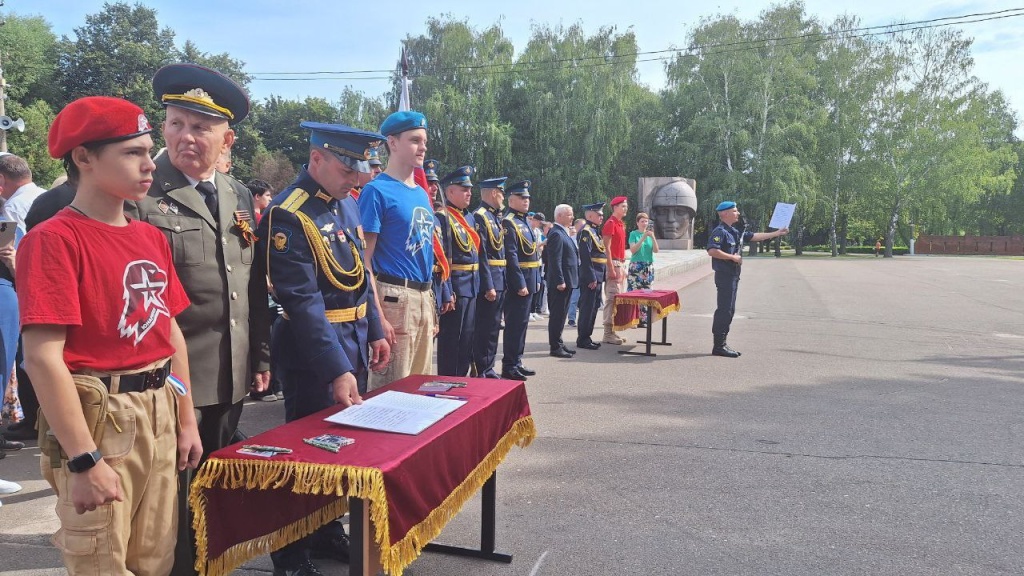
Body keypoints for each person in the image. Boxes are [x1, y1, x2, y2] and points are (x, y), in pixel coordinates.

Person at [19, 95, 203, 575]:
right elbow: (43, 359)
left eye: (148, 151)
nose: (149, 165)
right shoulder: (55, 240)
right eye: (132, 153)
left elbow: (170, 335)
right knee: (102, 562)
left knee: (155, 561)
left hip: (160, 405)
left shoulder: (149, 237)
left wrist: (185, 419)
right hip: (104, 418)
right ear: (83, 157)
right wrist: (83, 460)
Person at [136, 63, 271, 576]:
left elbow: (251, 283)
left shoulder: (237, 193)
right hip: (172, 376)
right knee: (168, 494)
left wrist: (259, 354)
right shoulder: (144, 194)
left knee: (211, 488)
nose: (185, 136)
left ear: (227, 137)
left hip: (230, 370)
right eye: (175, 123)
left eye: (200, 127)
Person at [257, 122, 390, 576]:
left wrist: (374, 328)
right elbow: (303, 301)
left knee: (343, 447)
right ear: (317, 159)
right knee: (307, 452)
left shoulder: (343, 206)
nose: (357, 178)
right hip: (314, 352)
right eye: (347, 168)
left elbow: (359, 276)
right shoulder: (289, 213)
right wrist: (336, 369)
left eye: (359, 169)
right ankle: (291, 554)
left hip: (351, 342)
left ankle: (327, 529)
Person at [359, 111, 436, 390]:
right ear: (392, 142)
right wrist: (377, 317)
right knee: (391, 392)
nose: (423, 147)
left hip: (423, 296)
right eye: (415, 140)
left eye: (424, 141)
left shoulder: (421, 194)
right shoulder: (376, 191)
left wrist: (431, 307)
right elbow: (364, 261)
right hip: (394, 299)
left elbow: (425, 255)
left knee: (420, 389)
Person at [707, 201, 788, 357]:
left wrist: (776, 233)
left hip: (733, 275)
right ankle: (718, 346)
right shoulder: (720, 231)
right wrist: (733, 257)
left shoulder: (734, 231)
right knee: (724, 310)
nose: (738, 213)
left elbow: (754, 236)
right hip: (724, 275)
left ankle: (722, 344)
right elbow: (712, 251)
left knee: (730, 310)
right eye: (735, 211)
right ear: (725, 214)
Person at [435, 166, 480, 376]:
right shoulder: (443, 217)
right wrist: (447, 289)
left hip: (471, 284)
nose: (469, 193)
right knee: (451, 340)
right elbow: (443, 257)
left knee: (467, 338)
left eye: (469, 189)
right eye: (464, 189)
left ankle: (462, 378)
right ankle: (448, 380)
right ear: (450, 192)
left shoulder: (469, 218)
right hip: (456, 285)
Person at [501, 181, 540, 380]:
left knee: (522, 324)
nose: (526, 201)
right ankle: (509, 365)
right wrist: (520, 283)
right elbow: (512, 256)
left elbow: (532, 254)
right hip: (520, 282)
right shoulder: (508, 222)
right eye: (521, 198)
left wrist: (536, 279)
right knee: (514, 324)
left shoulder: (524, 221)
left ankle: (517, 360)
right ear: (511, 200)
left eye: (527, 198)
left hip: (530, 279)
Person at [471, 176, 508, 378]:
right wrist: (488, 285)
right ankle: (481, 367)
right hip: (490, 280)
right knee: (484, 327)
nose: (503, 197)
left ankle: (489, 366)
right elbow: (482, 253)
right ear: (494, 192)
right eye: (502, 193)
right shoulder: (481, 216)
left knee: (494, 326)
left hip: (499, 277)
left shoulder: (495, 217)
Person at [545, 204, 578, 358]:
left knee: (562, 315)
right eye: (569, 214)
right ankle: (555, 346)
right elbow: (555, 260)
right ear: (559, 216)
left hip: (567, 280)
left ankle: (559, 342)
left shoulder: (562, 232)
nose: (572, 217)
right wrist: (560, 280)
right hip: (560, 283)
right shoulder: (556, 234)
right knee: (557, 315)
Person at [576, 203, 607, 350]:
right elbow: (585, 256)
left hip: (598, 276)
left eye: (601, 214)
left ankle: (587, 337)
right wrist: (591, 277)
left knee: (594, 308)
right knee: (587, 308)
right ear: (589, 216)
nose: (602, 217)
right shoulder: (586, 232)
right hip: (591, 277)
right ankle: (582, 339)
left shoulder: (595, 231)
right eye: (599, 214)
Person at [601, 195, 629, 344]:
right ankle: (607, 333)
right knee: (611, 298)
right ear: (615, 207)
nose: (626, 208)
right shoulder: (611, 223)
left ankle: (612, 331)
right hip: (614, 264)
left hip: (620, 263)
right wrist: (611, 267)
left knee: (617, 298)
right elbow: (607, 248)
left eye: (626, 206)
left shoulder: (620, 224)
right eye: (623, 206)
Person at [627, 212, 661, 326]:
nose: (644, 223)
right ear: (637, 223)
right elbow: (633, 250)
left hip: (648, 266)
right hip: (636, 266)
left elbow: (656, 250)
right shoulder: (634, 234)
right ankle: (633, 319)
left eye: (646, 221)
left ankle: (644, 319)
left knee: (647, 292)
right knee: (634, 291)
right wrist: (643, 237)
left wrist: (653, 237)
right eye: (642, 221)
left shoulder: (651, 235)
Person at [566, 218, 585, 327]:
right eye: (581, 226)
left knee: (584, 297)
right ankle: (571, 319)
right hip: (575, 270)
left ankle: (582, 320)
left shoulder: (587, 238)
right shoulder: (571, 239)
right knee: (574, 296)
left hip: (585, 269)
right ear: (576, 226)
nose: (583, 228)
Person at [529, 213, 547, 321]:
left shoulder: (537, 231)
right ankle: (529, 312)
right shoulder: (529, 230)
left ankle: (533, 310)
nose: (540, 225)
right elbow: (531, 247)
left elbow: (539, 249)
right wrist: (542, 244)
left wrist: (541, 245)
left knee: (538, 286)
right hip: (531, 262)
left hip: (538, 261)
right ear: (534, 220)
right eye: (539, 222)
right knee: (532, 287)